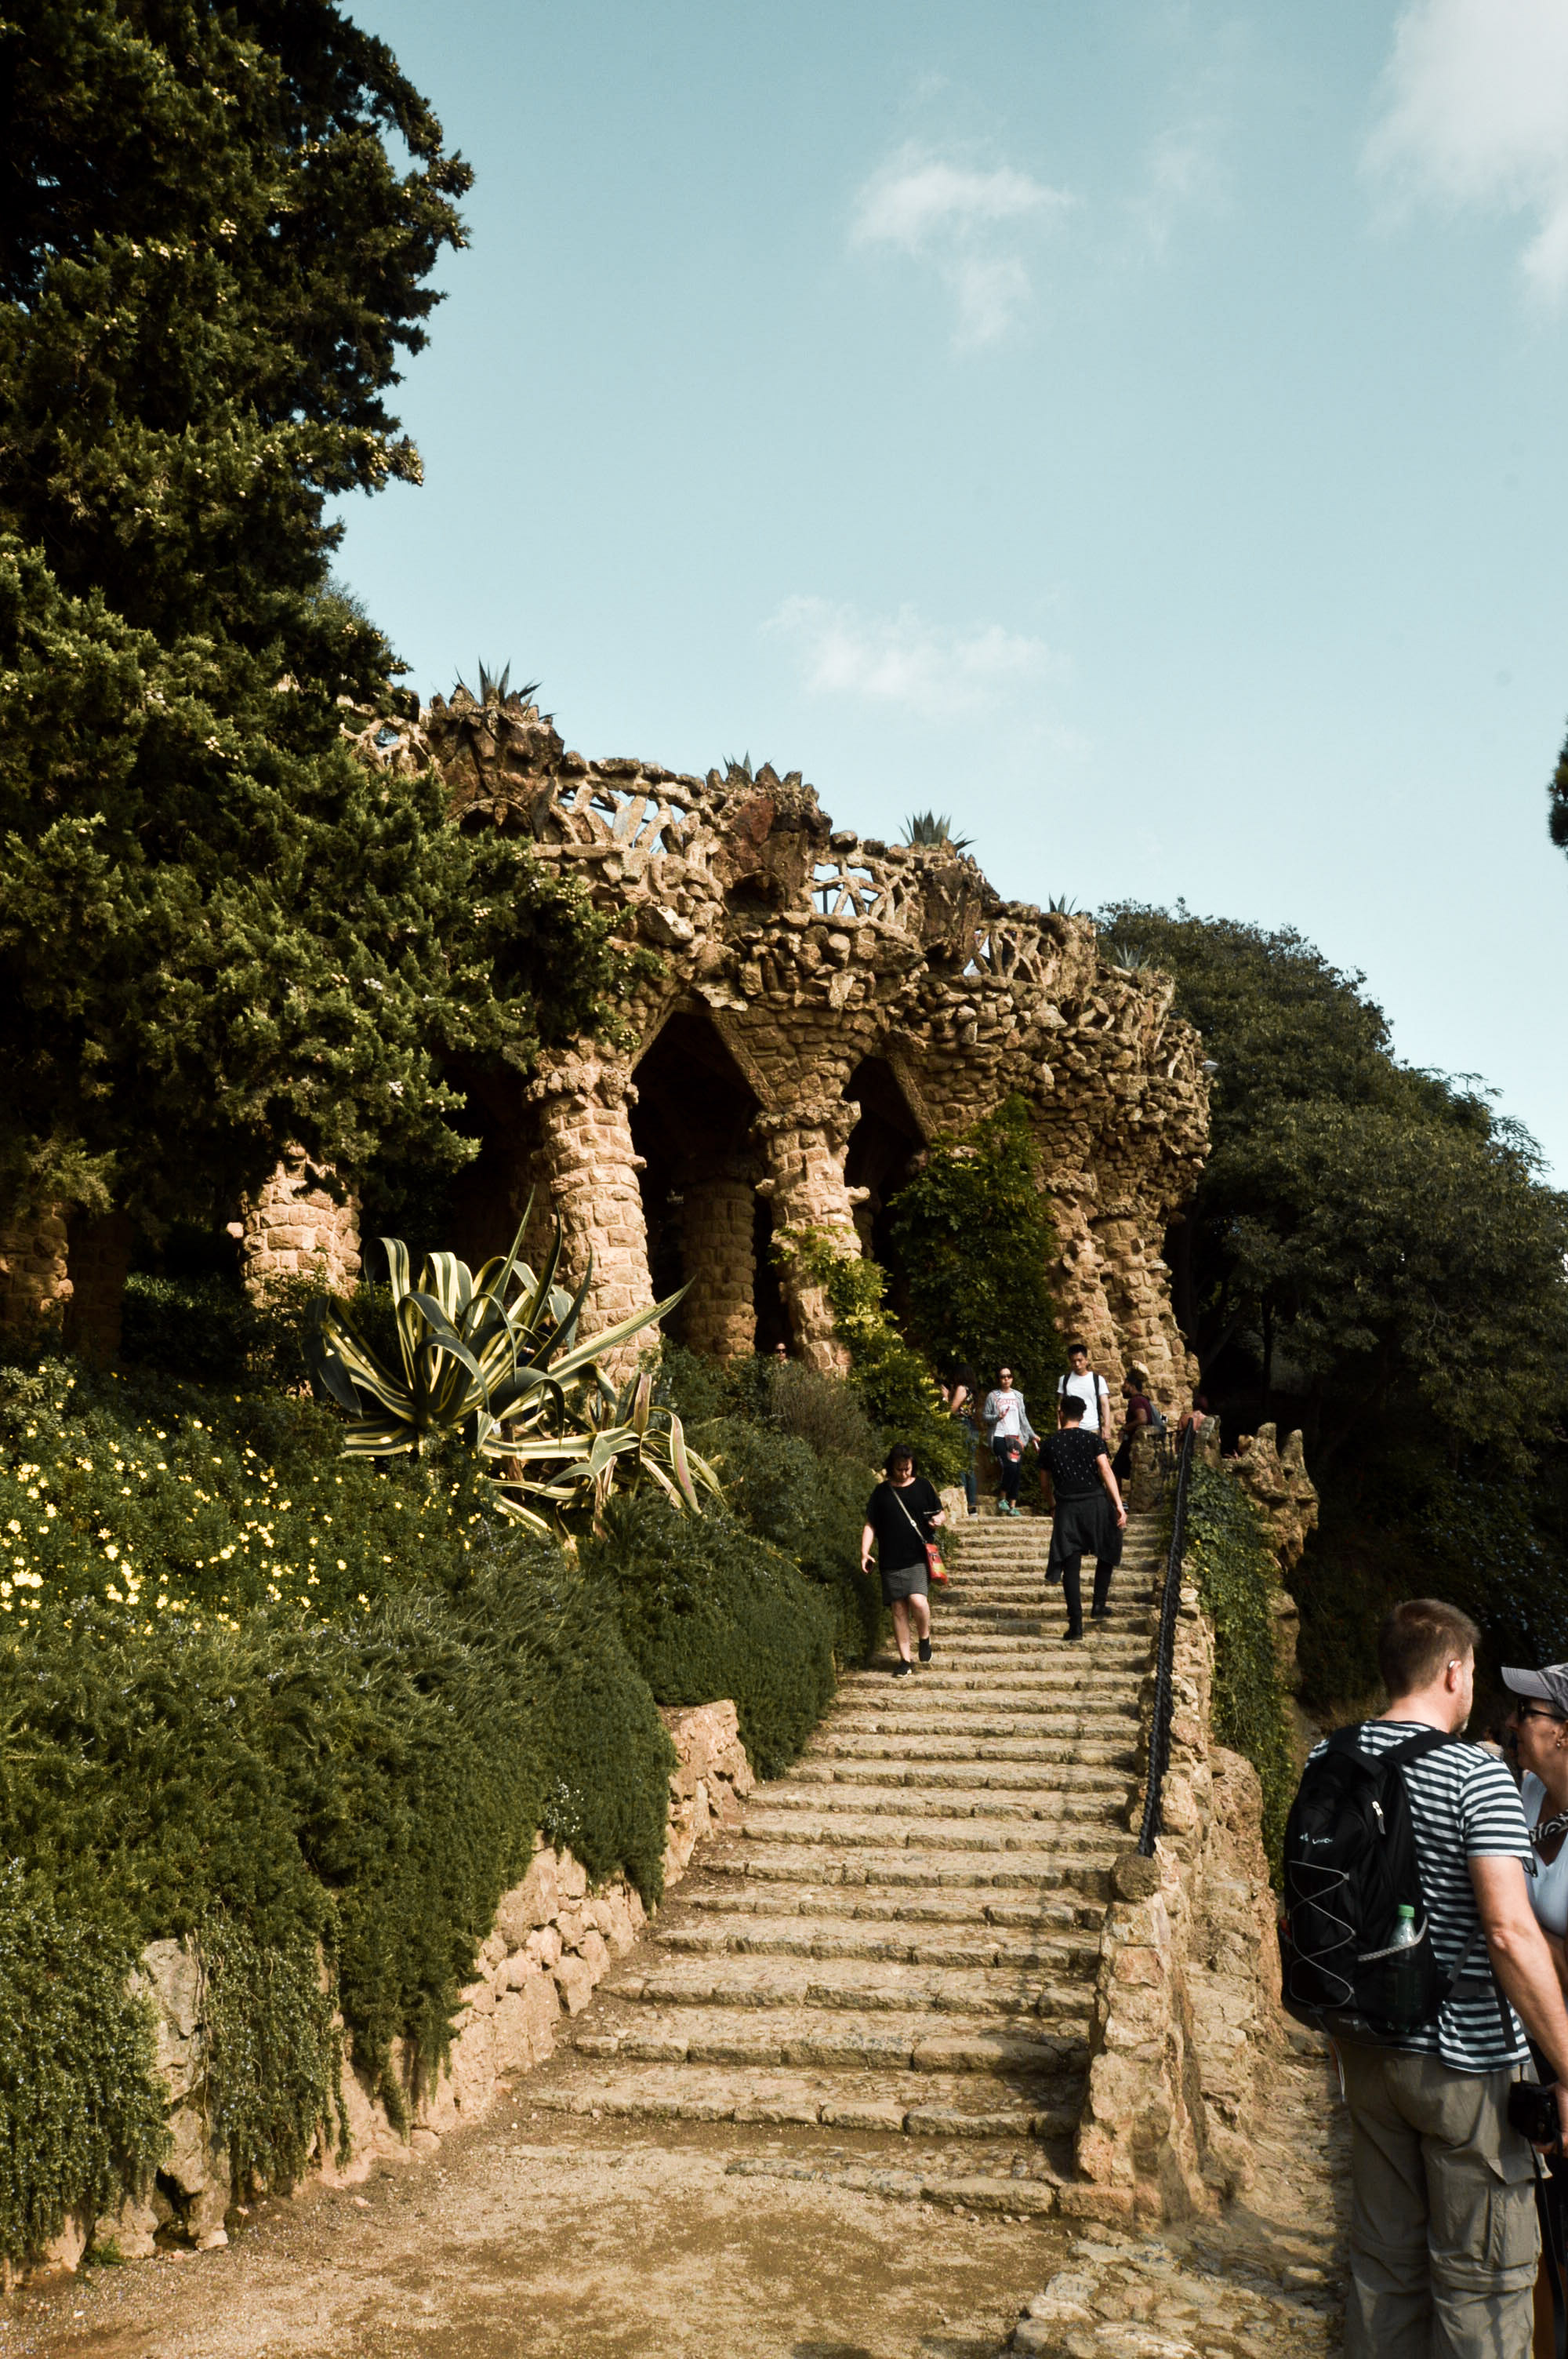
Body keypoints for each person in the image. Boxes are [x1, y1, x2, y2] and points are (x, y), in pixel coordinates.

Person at [1320, 1600, 1568, 2359]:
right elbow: (1505, 1930)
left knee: (1382, 2270)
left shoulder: (1328, 1757)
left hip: (1363, 2052)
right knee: (1480, 2286)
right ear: (1453, 1670)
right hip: (1464, 2072)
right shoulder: (1477, 1774)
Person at [1501, 1659, 1568, 2359]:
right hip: (1518, 2039)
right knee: (1532, 2237)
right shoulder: (1522, 1792)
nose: (1516, 1723)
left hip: (1564, 2045)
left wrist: (1530, 1938)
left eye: (1532, 1712)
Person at [1036, 1390, 1127, 1639]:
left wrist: (1052, 1505)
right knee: (1109, 1547)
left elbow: (1044, 1483)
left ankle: (1076, 1626)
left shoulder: (1050, 1443)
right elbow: (1105, 1470)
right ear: (1083, 1415)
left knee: (1070, 1564)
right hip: (1095, 1504)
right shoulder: (1093, 1440)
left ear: (1061, 1414)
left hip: (1067, 1508)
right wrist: (1118, 1504)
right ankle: (1098, 1604)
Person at [861, 1445, 945, 1677]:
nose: (903, 1473)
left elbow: (941, 1512)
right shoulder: (881, 1493)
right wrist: (864, 1552)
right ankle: (905, 1661)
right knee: (898, 1610)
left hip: (917, 1557)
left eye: (907, 1469)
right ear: (891, 1467)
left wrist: (938, 1520)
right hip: (890, 1560)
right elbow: (871, 1525)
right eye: (899, 1469)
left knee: (918, 1601)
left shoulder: (924, 1486)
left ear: (912, 1466)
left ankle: (924, 1637)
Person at [982, 1366, 1036, 1516]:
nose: (1006, 1379)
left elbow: (1023, 1419)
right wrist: (997, 1417)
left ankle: (1012, 1506)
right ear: (999, 1379)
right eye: (1002, 1377)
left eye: (1009, 1376)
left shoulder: (1018, 1396)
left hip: (1015, 1438)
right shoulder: (993, 1396)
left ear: (1012, 1378)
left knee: (1017, 1471)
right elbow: (985, 1416)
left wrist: (1032, 1435)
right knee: (1010, 1467)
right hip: (999, 1436)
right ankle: (1002, 1498)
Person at [946, 1363, 981, 1517]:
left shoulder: (962, 1389)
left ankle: (966, 1503)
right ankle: (972, 1506)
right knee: (969, 1467)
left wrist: (946, 1397)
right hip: (971, 1428)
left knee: (962, 1466)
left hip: (962, 1427)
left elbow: (953, 1410)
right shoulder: (972, 1390)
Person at [1057, 1340, 1110, 1437]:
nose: (1077, 1364)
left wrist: (1107, 1426)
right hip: (1070, 1430)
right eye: (1073, 1361)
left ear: (1086, 1360)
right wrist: (1059, 1427)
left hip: (1092, 1428)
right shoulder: (1064, 1380)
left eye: (1080, 1360)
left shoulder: (1097, 1380)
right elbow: (1060, 1405)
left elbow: (1105, 1404)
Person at [1112, 1369, 1153, 1485]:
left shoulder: (1135, 1401)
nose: (1122, 1389)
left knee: (1114, 1472)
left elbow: (1142, 1419)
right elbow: (1162, 1417)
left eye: (1124, 1386)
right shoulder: (1146, 1400)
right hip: (1144, 1444)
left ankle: (1117, 1502)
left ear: (1132, 1386)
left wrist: (1125, 1428)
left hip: (1132, 1444)